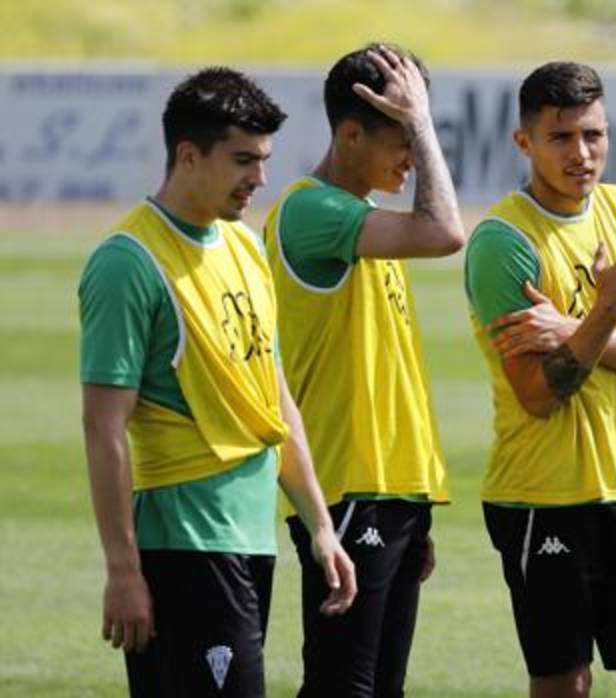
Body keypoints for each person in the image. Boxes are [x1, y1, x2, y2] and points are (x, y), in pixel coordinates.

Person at [79, 67, 355, 697]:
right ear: (187, 155)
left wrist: (317, 524)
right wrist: (123, 569)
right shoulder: (128, 262)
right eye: (242, 160)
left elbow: (272, 391)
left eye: (262, 160)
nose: (259, 178)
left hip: (249, 536)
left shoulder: (244, 246)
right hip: (183, 543)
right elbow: (104, 427)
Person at [463, 61, 616, 698]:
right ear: (524, 143)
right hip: (544, 497)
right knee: (565, 686)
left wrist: (574, 325)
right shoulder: (502, 242)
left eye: (594, 135)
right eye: (561, 138)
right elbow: (538, 395)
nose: (581, 154)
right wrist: (609, 310)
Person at [261, 43, 463, 697]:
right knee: (341, 689)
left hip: (391, 490)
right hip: (347, 486)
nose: (413, 157)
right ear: (351, 134)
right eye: (401, 139)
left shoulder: (363, 222)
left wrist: (416, 508)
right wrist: (426, 124)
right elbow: (444, 232)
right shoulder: (311, 211)